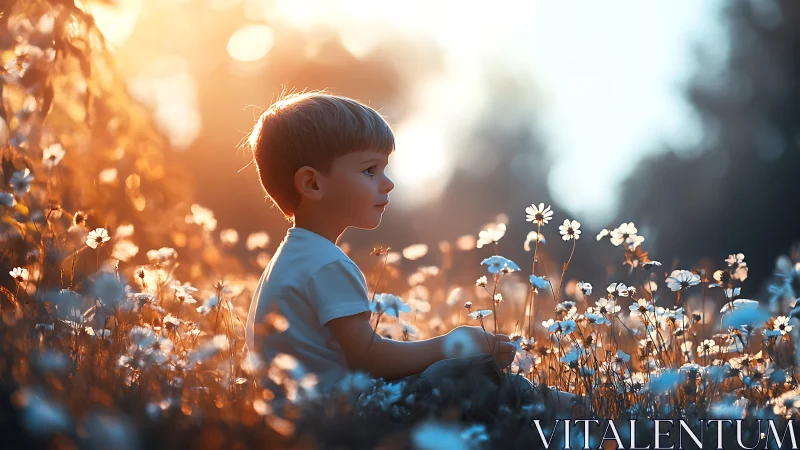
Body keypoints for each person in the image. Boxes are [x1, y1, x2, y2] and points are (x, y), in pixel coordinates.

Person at [242, 90, 579, 415]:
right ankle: (583, 417)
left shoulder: (291, 261)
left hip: (300, 415)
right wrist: (451, 345)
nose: (386, 183)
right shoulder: (327, 265)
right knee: (468, 375)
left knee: (454, 375)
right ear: (313, 184)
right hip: (343, 417)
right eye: (369, 170)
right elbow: (368, 359)